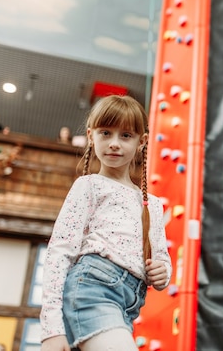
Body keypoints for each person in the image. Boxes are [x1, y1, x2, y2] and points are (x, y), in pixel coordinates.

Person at [40, 95, 172, 351]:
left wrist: (163, 272)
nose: (114, 143)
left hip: (127, 305)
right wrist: (51, 329)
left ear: (142, 141)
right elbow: (59, 252)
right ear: (91, 135)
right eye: (105, 133)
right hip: (92, 289)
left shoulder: (152, 205)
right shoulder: (89, 185)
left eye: (125, 135)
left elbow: (161, 258)